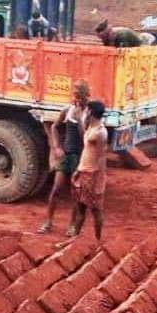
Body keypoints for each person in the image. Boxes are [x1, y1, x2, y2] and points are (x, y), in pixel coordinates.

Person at [38, 81, 90, 235]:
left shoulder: (88, 114)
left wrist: (80, 117)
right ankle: (48, 222)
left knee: (76, 193)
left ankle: (73, 225)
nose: (74, 95)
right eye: (74, 93)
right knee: (56, 189)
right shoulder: (68, 110)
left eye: (78, 93)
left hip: (80, 157)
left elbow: (85, 136)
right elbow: (54, 126)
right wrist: (56, 146)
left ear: (85, 95)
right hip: (66, 155)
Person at [68, 101, 108, 241]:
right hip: (83, 172)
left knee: (96, 210)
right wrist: (78, 169)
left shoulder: (100, 132)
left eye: (87, 110)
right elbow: (86, 150)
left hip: (93, 175)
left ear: (90, 112)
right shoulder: (91, 128)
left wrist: (98, 181)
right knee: (80, 208)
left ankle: (98, 240)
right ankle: (74, 239)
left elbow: (102, 158)